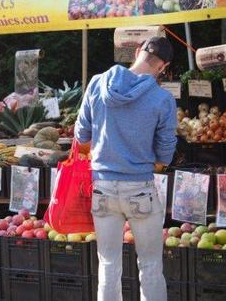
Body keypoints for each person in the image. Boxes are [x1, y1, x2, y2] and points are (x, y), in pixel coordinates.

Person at [75, 36, 177, 301]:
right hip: (140, 189)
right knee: (151, 266)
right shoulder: (162, 99)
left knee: (108, 266)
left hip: (103, 188)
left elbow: (81, 135)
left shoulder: (97, 83)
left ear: (136, 51)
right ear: (163, 66)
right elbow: (165, 154)